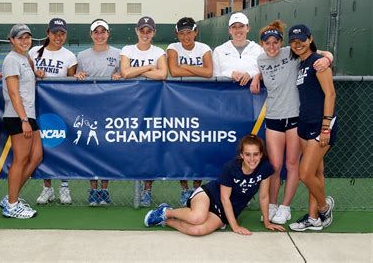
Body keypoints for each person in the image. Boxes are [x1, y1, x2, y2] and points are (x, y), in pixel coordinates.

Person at [250, 21, 333, 224]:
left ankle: (285, 208)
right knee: (276, 166)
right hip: (273, 118)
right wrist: (256, 76)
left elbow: (320, 54)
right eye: (267, 43)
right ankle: (272, 205)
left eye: (275, 42)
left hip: (296, 118)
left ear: (281, 42)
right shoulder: (260, 59)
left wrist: (328, 59)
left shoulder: (292, 52)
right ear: (261, 44)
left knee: (292, 164)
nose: (272, 46)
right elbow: (267, 71)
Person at [144, 134, 285, 236]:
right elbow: (224, 198)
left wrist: (267, 222)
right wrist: (235, 226)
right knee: (197, 218)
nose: (252, 159)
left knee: (197, 230)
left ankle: (165, 221)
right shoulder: (231, 168)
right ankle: (166, 211)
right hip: (209, 195)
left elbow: (264, 196)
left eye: (256, 154)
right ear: (242, 155)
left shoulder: (265, 168)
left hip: (224, 212)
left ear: (261, 155)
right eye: (248, 154)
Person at [287, 24, 337, 231]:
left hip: (320, 125)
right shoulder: (301, 64)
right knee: (316, 173)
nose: (298, 44)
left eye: (302, 40)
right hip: (304, 123)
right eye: (293, 41)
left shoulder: (317, 62)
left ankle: (324, 208)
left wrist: (325, 127)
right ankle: (314, 218)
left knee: (305, 174)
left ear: (310, 39)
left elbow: (330, 94)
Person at [28, 17, 77, 205]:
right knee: (44, 146)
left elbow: (72, 85)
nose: (58, 36)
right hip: (39, 106)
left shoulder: (70, 57)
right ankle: (47, 188)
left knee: (63, 145)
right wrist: (35, 73)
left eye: (62, 33)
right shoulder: (34, 52)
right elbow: (26, 74)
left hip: (61, 109)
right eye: (55, 32)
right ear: (48, 33)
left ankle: (64, 186)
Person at [120, 16, 167, 207]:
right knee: (129, 144)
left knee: (151, 146)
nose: (145, 34)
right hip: (129, 104)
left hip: (153, 104)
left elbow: (162, 74)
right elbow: (125, 72)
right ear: (136, 31)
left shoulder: (158, 51)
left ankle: (147, 190)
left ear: (154, 32)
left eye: (149, 31)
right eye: (142, 30)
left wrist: (135, 70)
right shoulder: (127, 50)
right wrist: (148, 67)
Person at [74, 18, 121, 206]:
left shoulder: (119, 54)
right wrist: (78, 75)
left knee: (106, 148)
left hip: (111, 108)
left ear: (108, 33)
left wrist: (121, 75)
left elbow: (126, 74)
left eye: (103, 31)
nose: (100, 35)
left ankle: (105, 190)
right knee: (91, 148)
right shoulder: (82, 56)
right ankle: (93, 190)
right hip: (89, 108)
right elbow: (76, 77)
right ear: (91, 34)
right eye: (96, 32)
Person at [166, 17, 213, 206]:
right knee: (182, 143)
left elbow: (209, 72)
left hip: (200, 101)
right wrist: (196, 69)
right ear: (177, 34)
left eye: (189, 32)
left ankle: (196, 188)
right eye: (182, 33)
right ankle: (185, 189)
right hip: (178, 101)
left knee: (198, 142)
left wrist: (183, 66)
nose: (186, 36)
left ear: (196, 32)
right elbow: (174, 72)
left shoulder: (204, 48)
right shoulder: (172, 47)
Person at [0, 24, 42, 219]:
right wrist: (24, 119)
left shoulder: (25, 58)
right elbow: (13, 93)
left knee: (36, 157)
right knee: (21, 160)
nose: (25, 41)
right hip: (18, 117)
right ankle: (12, 204)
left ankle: (10, 197)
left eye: (27, 37)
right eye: (20, 38)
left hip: (28, 115)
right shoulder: (11, 60)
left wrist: (37, 73)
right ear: (12, 40)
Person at [212, 12, 263, 85]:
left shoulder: (259, 50)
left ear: (248, 28)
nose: (238, 30)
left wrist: (250, 74)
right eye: (234, 27)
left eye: (241, 26)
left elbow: (266, 72)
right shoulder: (219, 51)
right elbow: (214, 75)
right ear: (229, 30)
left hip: (253, 95)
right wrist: (230, 74)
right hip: (226, 94)